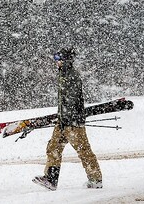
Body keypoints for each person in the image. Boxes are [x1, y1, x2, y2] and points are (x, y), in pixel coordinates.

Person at [32, 47, 103, 191]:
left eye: (58, 59)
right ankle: (51, 179)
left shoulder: (72, 76)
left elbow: (71, 101)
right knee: (53, 148)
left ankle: (95, 180)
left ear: (66, 61)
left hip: (73, 123)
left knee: (84, 151)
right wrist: (61, 119)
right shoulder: (63, 74)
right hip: (63, 122)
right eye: (56, 59)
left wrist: (68, 118)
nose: (56, 62)